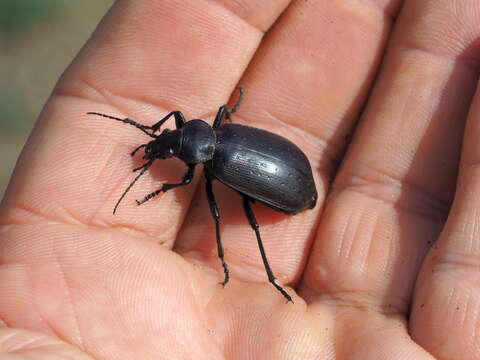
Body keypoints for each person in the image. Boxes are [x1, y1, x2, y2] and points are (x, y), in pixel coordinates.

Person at [0, 0, 477, 358]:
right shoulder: (214, 130)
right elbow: (182, 139)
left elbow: (186, 178)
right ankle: (254, 273)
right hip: (286, 162)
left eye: (165, 141)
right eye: (165, 141)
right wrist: (156, 138)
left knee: (242, 219)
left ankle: (267, 276)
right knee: (227, 209)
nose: (162, 144)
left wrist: (163, 185)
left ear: (188, 142)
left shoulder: (207, 162)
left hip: (291, 187)